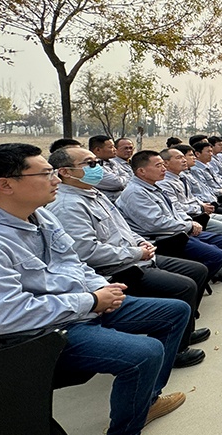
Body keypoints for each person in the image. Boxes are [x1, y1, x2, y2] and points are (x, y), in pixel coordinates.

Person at [0, 143, 190, 435]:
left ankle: (146, 400)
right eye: (45, 173)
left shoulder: (42, 215)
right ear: (5, 184)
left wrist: (101, 289)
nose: (55, 179)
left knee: (175, 312)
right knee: (144, 353)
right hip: (42, 335)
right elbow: (4, 315)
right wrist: (90, 301)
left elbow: (74, 262)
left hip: (84, 305)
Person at [47, 146, 209, 367]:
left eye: (98, 163)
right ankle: (175, 349)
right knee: (184, 286)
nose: (98, 168)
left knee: (197, 270)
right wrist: (136, 252)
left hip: (137, 255)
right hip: (117, 269)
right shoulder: (68, 206)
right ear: (65, 172)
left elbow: (123, 227)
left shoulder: (94, 193)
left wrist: (140, 242)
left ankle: (183, 332)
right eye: (90, 164)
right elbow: (88, 251)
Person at [116, 151, 222, 283]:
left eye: (163, 165)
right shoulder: (136, 193)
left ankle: (201, 277)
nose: (163, 169)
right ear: (141, 171)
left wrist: (189, 222)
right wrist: (188, 226)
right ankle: (194, 282)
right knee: (215, 256)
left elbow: (175, 210)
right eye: (158, 166)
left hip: (177, 230)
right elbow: (156, 224)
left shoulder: (153, 186)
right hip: (163, 238)